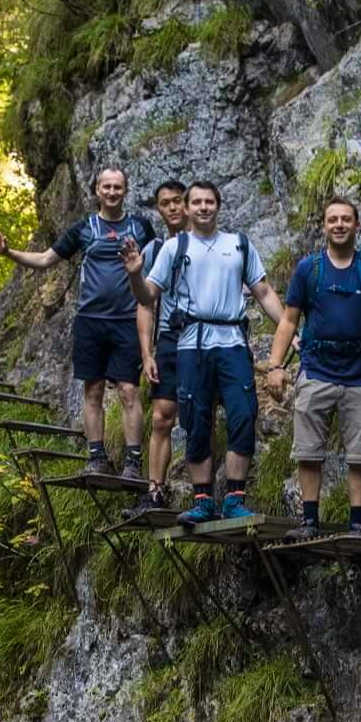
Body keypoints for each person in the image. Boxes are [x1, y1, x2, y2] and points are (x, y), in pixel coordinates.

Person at [122, 181, 288, 526]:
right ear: (187, 207)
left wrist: (290, 329)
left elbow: (263, 292)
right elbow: (147, 296)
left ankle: (235, 499)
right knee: (196, 419)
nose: (203, 207)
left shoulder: (238, 244)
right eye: (196, 202)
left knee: (243, 414)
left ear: (218, 205)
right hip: (191, 344)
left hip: (232, 341)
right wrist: (136, 274)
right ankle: (202, 501)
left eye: (209, 201)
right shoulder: (174, 247)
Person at [0, 166, 158, 476]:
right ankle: (96, 458)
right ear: (97, 190)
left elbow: (159, 268)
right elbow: (44, 260)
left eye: (117, 187)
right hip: (89, 321)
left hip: (127, 321)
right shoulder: (84, 229)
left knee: (129, 391)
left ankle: (133, 462)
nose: (112, 192)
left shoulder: (141, 227)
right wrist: (8, 252)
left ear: (126, 190)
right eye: (106, 186)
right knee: (93, 390)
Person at [265, 199, 361, 539]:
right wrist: (275, 365)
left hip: (360, 371)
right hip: (316, 369)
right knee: (308, 450)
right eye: (333, 220)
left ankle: (357, 524)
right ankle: (309, 521)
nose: (339, 225)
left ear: (357, 225)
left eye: (345, 219)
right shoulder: (309, 269)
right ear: (324, 226)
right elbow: (289, 320)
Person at [135, 180, 191, 509]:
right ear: (158, 210)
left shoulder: (209, 243)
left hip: (204, 340)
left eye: (177, 200)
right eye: (165, 203)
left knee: (199, 415)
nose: (172, 207)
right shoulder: (154, 251)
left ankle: (203, 494)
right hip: (169, 339)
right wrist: (147, 353)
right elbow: (145, 305)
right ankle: (155, 490)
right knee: (161, 417)